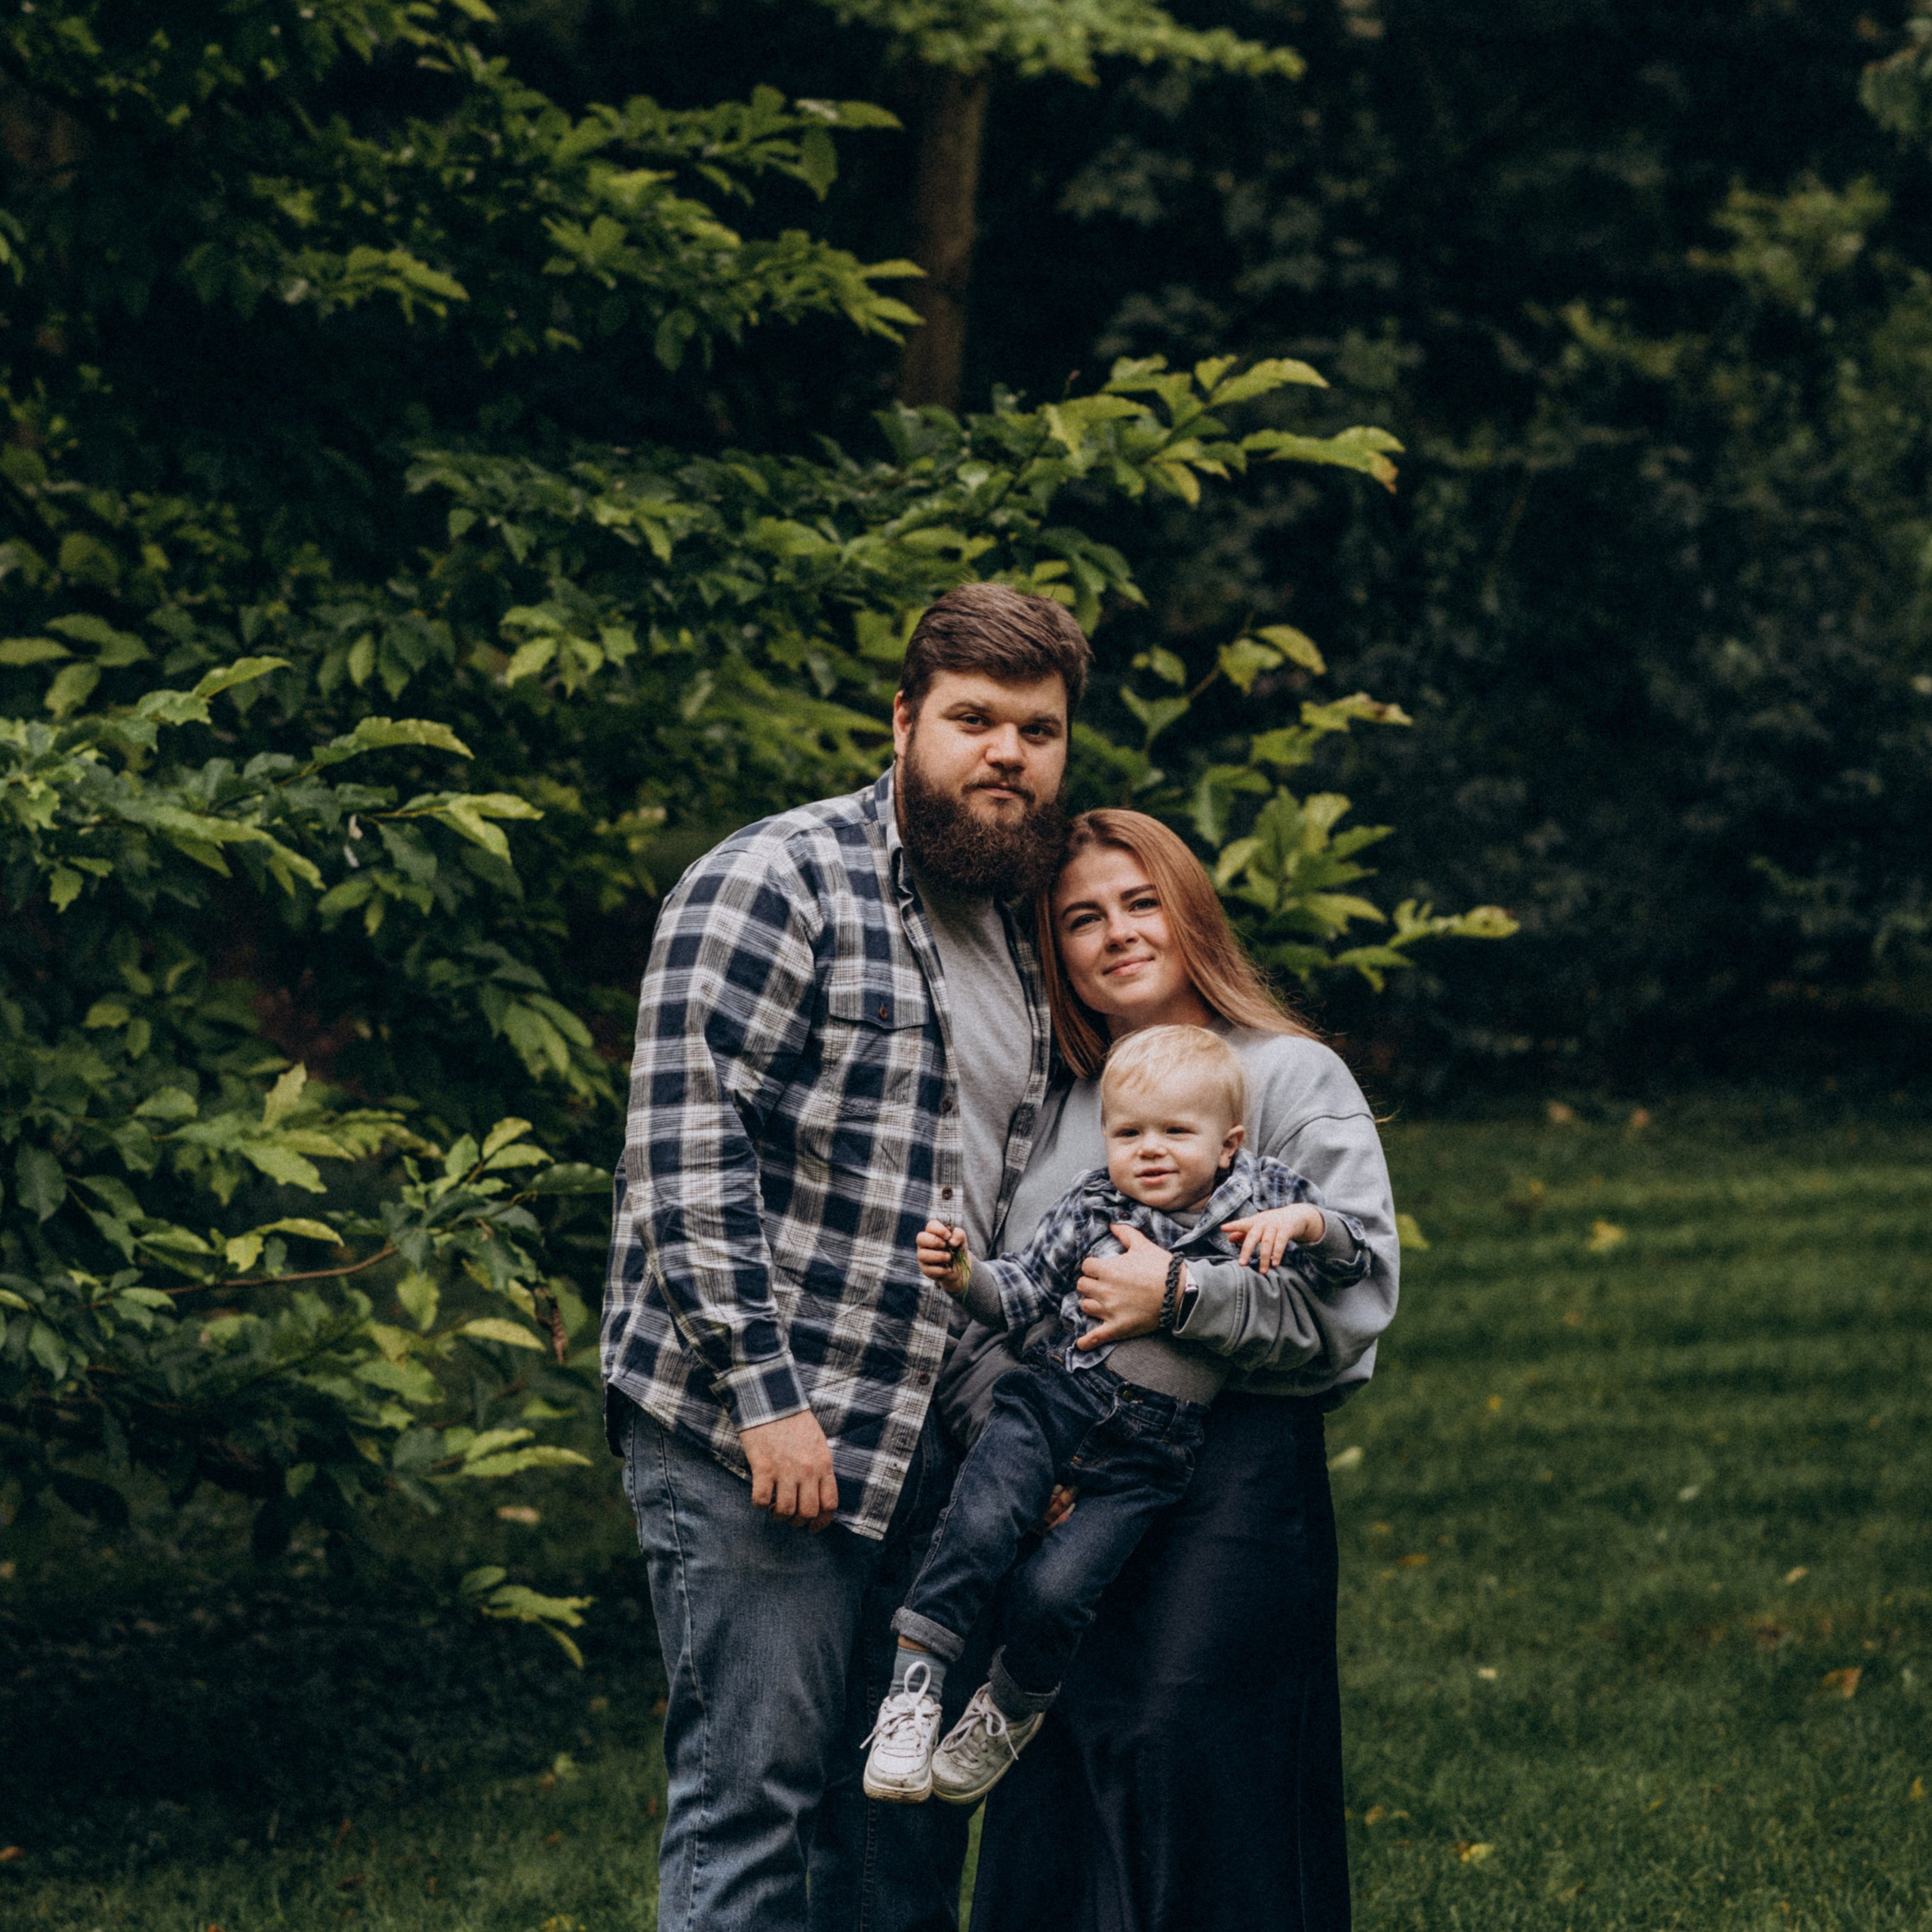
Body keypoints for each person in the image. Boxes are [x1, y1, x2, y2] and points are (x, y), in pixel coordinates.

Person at [599, 581, 1091, 1932]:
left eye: (1037, 731)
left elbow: (999, 1224)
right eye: (973, 719)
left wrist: (1014, 1440)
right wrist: (766, 1398)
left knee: (894, 1833)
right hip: (758, 1436)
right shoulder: (777, 881)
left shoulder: (1017, 923)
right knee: (751, 1807)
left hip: (923, 1450)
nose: (1005, 754)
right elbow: (687, 1155)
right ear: (903, 722)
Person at [945, 808, 1401, 1932]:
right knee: (1062, 1763)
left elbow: (1355, 1315)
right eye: (1081, 919)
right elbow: (997, 1307)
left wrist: (1185, 1300)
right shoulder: (1050, 1107)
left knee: (1184, 1748)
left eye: (1141, 902)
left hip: (1235, 1481)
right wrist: (1015, 1439)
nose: (1117, 934)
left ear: (1189, 911)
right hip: (1068, 1471)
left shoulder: (1288, 1077)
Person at [860, 1024, 1367, 1810]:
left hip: (1148, 1456)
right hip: (1055, 1401)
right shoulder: (1095, 1199)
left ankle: (1010, 1705)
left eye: (1176, 1131)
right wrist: (964, 1275)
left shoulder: (1261, 1197)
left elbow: (1351, 1259)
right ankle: (913, 1689)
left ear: (1228, 1143)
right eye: (1129, 1132)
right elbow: (1021, 1291)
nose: (1150, 1149)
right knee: (979, 1522)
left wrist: (1305, 1225)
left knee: (1059, 1591)